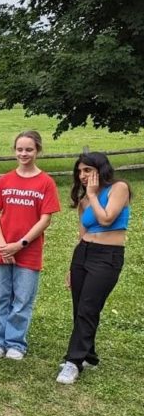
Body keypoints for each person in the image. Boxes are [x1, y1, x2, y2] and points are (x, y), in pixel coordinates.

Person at [0, 131, 60, 360]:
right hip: (3, 248)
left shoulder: (46, 182)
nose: (24, 153)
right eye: (20, 149)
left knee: (22, 299)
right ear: (14, 150)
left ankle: (16, 343)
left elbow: (45, 219)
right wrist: (3, 244)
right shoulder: (5, 180)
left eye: (29, 149)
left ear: (37, 151)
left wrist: (20, 244)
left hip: (28, 250)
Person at [57, 152, 131, 384]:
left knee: (89, 307)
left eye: (87, 170)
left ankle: (74, 361)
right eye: (79, 171)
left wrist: (92, 195)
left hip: (107, 255)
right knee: (80, 307)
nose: (82, 175)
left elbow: (107, 218)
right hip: (84, 254)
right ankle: (88, 355)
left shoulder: (119, 188)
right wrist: (72, 266)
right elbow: (82, 234)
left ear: (100, 170)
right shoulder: (84, 202)